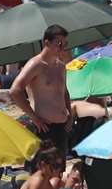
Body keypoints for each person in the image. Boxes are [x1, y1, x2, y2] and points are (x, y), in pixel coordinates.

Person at [10, 26, 71, 157]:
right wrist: (33, 117)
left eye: (65, 44)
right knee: (41, 172)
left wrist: (70, 115)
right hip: (43, 127)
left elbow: (64, 92)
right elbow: (15, 90)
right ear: (46, 42)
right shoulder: (36, 64)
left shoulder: (60, 66)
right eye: (59, 43)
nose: (62, 48)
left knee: (58, 172)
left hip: (61, 127)